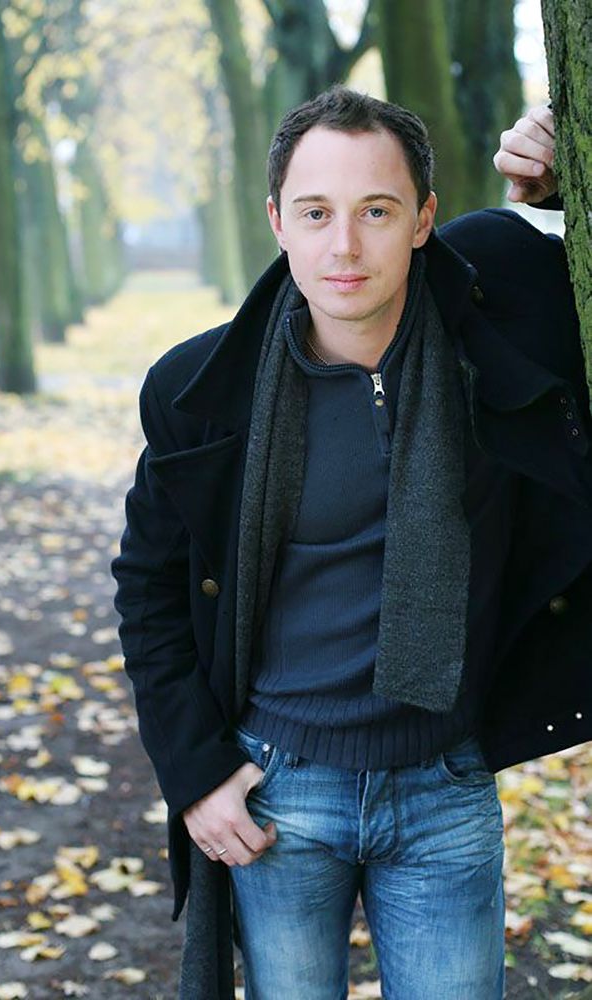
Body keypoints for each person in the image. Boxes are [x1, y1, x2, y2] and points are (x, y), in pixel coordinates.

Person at [112, 88, 592, 1000]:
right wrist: (196, 773)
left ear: (423, 220)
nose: (344, 246)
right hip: (278, 791)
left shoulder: (497, 316)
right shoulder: (199, 390)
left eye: (375, 211)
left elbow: (568, 241)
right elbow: (148, 589)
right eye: (314, 213)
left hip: (444, 783)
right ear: (275, 222)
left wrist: (560, 168)